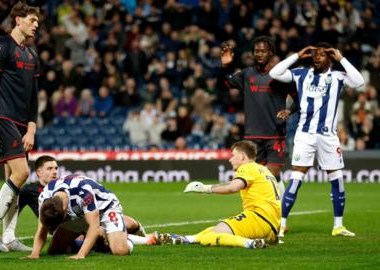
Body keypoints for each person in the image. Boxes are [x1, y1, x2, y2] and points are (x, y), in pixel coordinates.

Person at [269, 43, 364, 237]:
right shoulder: (302, 73)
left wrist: (341, 58)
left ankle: (338, 226)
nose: (316, 57)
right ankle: (282, 223)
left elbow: (359, 81)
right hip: (305, 135)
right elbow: (274, 73)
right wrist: (297, 54)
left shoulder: (337, 76)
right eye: (314, 54)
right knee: (296, 177)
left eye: (321, 54)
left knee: (336, 178)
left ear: (329, 58)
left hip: (328, 136)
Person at [0, 1, 40, 252]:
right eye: (32, 20)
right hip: (3, 118)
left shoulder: (32, 54)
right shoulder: (0, 46)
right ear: (18, 20)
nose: (36, 25)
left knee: (12, 179)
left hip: (21, 123)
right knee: (22, 173)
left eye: (38, 22)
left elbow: (34, 95)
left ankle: (9, 236)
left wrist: (32, 128)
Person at [156, 140, 280, 249]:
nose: (230, 159)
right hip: (273, 227)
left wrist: (205, 189)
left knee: (210, 237)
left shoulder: (247, 168)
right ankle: (188, 239)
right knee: (214, 229)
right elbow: (233, 183)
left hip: (258, 218)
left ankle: (249, 243)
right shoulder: (263, 169)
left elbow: (233, 187)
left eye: (233, 156)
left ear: (242, 157)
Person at [219, 36, 298, 201]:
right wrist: (226, 66)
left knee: (273, 174)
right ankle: (259, 212)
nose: (259, 54)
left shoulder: (281, 76)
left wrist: (289, 110)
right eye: (256, 51)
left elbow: (298, 98)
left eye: (263, 51)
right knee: (255, 177)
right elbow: (226, 84)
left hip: (275, 133)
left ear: (271, 52)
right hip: (252, 135)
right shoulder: (247, 74)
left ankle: (280, 216)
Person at [25, 174, 137, 259]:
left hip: (105, 208)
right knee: (55, 251)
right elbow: (41, 228)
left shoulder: (83, 192)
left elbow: (94, 225)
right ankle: (98, 240)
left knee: (120, 251)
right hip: (80, 215)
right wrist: (34, 254)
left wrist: (81, 254)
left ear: (65, 212)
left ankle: (126, 237)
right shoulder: (44, 197)